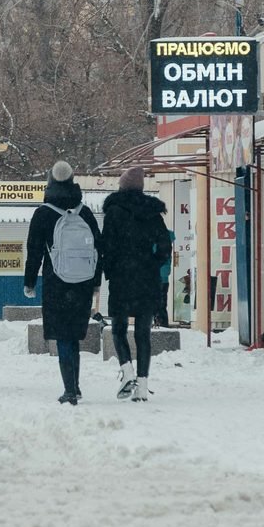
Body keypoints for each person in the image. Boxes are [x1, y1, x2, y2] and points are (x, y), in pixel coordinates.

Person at [23, 161, 102, 405]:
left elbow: (34, 250)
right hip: (83, 284)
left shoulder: (43, 213)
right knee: (74, 336)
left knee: (63, 336)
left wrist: (29, 282)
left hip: (56, 281)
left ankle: (70, 390)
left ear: (50, 183)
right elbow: (99, 249)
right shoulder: (85, 212)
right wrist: (96, 282)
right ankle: (74, 386)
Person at [102, 167, 171, 401]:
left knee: (118, 329)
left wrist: (110, 270)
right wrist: (152, 263)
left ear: (122, 186)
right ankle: (142, 387)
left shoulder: (114, 211)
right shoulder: (153, 213)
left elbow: (106, 246)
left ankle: (127, 372)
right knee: (143, 334)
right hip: (147, 278)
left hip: (122, 278)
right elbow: (164, 247)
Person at [156, 230, 175, 327]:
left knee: (158, 304)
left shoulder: (155, 237)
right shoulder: (167, 238)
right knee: (161, 304)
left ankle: (161, 326)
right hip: (163, 276)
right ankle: (162, 325)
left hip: (155, 275)